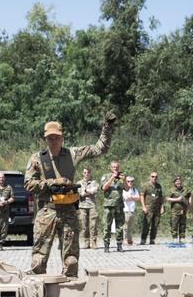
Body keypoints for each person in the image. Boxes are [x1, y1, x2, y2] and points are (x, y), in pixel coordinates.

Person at [25, 113, 117, 278]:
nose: (54, 141)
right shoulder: (37, 159)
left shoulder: (73, 154)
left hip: (69, 211)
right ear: (45, 139)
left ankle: (70, 294)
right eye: (50, 138)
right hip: (47, 211)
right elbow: (28, 185)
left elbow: (100, 148)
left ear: (62, 138)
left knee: (71, 260)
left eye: (57, 137)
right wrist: (51, 182)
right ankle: (38, 293)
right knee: (38, 260)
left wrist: (107, 127)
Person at [101, 161, 129, 252]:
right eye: (113, 167)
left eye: (117, 167)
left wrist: (124, 180)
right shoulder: (106, 176)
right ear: (110, 168)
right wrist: (112, 177)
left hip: (119, 205)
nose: (115, 169)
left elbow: (127, 189)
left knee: (119, 226)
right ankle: (106, 245)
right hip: (108, 205)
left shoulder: (122, 177)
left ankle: (119, 245)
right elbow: (104, 188)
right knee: (107, 226)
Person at [140, 171, 164, 245]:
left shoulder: (159, 186)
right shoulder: (146, 185)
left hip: (157, 208)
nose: (154, 178)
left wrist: (162, 207)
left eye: (156, 177)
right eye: (153, 176)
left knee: (155, 224)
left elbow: (160, 197)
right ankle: (143, 239)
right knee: (146, 224)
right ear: (150, 177)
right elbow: (141, 196)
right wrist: (143, 206)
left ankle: (152, 239)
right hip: (148, 207)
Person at [77, 168, 99, 249]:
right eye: (85, 172)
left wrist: (86, 191)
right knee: (84, 224)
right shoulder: (79, 183)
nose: (86, 174)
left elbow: (94, 191)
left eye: (88, 172)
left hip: (92, 205)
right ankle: (86, 241)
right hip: (82, 206)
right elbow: (80, 193)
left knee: (93, 224)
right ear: (83, 173)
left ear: (90, 173)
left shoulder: (94, 182)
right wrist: (89, 191)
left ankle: (93, 242)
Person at [166, 176, 191, 243]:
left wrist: (189, 205)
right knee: (174, 224)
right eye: (177, 181)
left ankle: (182, 237)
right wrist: (176, 199)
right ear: (174, 183)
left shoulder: (185, 189)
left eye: (179, 181)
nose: (178, 182)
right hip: (175, 210)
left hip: (184, 209)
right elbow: (167, 198)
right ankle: (175, 238)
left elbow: (189, 196)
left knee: (183, 224)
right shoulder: (172, 190)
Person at [122, 176, 140, 246]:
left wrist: (132, 198)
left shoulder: (134, 190)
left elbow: (138, 198)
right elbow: (124, 198)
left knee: (131, 226)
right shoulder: (123, 190)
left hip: (132, 210)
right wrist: (132, 198)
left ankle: (130, 240)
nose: (130, 183)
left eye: (132, 181)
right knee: (125, 226)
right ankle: (124, 239)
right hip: (125, 210)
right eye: (128, 181)